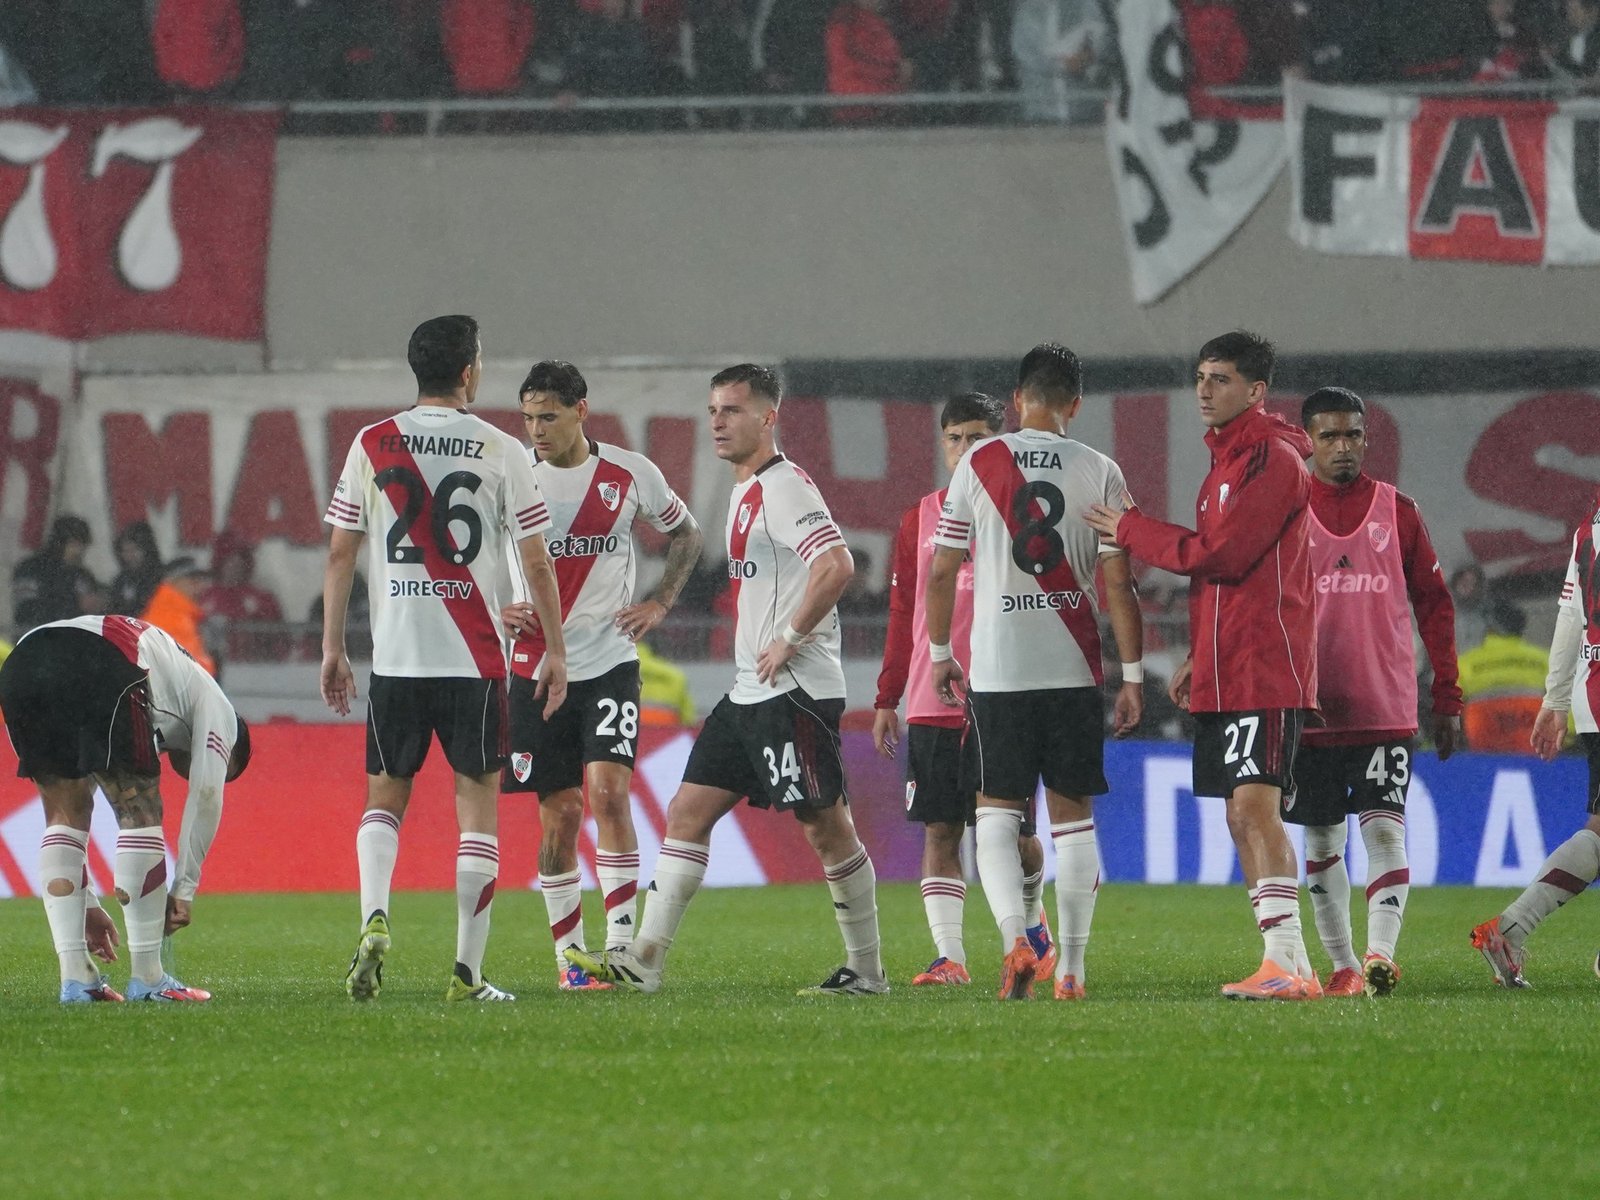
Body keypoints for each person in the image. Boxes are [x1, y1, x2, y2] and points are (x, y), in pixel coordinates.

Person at [568, 363, 887, 996]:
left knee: (826, 828)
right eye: (713, 409)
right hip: (749, 692)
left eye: (733, 410)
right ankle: (645, 961)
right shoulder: (747, 489)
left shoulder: (785, 487)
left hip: (794, 689)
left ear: (768, 417)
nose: (717, 421)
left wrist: (789, 637)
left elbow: (836, 565)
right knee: (687, 811)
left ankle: (868, 971)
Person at [320, 314, 569, 1004]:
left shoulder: (371, 442)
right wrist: (555, 649)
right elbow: (536, 562)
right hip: (475, 661)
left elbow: (340, 552)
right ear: (467, 372)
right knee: (477, 805)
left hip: (397, 659)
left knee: (384, 799)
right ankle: (467, 973)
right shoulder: (502, 448)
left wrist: (334, 647)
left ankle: (375, 916)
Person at [1086, 330, 1321, 1001]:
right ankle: (1289, 963)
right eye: (1200, 377)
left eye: (1220, 379)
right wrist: (1201, 655)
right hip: (1231, 663)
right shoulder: (1227, 462)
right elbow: (1228, 582)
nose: (1204, 390)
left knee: (1255, 807)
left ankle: (1286, 964)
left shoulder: (1273, 459)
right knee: (1239, 815)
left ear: (1256, 390)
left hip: (1266, 664)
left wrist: (1130, 528)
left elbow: (1223, 555)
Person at [927, 348, 1143, 1000]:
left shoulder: (977, 464)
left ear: (1017, 399)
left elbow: (942, 570)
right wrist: (1133, 676)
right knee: (1073, 820)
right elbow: (1120, 582)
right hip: (1072, 668)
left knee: (995, 814)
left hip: (999, 669)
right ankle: (1072, 970)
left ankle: (1014, 940)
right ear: (1075, 403)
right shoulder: (1100, 470)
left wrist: (939, 653)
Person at [499, 361, 703, 991]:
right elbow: (462, 552)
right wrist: (495, 605)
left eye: (548, 416)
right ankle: (570, 961)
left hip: (610, 663)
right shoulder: (510, 476)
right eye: (528, 417)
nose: (536, 429)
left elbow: (687, 534)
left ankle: (618, 949)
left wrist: (661, 602)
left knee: (610, 796)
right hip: (535, 668)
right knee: (560, 814)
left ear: (580, 411)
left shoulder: (629, 473)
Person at [872, 391, 1059, 988]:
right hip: (932, 699)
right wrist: (887, 697)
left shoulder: (1028, 516)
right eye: (954, 438)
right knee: (940, 828)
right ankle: (949, 957)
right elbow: (903, 612)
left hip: (1005, 695)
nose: (964, 448)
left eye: (977, 437)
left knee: (1016, 836)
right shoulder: (919, 519)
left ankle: (1033, 919)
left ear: (1001, 442)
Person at [1288, 387, 1462, 998]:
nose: (1344, 446)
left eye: (1354, 434)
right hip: (1309, 711)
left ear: (1366, 438)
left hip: (1384, 708)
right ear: (1307, 441)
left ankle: (1380, 956)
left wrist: (1448, 697)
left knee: (1385, 831)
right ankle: (1342, 967)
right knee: (1321, 839)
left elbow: (1435, 607)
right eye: (1330, 436)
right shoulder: (1286, 510)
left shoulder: (1399, 511)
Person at [0, 613, 252, 1002]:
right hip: (103, 657)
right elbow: (206, 794)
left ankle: (77, 980)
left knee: (64, 815)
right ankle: (149, 979)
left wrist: (84, 904)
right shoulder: (219, 708)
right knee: (139, 811)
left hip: (24, 663)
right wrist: (184, 889)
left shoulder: (173, 686)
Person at [1472, 490, 1600, 987]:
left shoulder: (1590, 525)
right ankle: (1510, 928)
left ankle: (1509, 929)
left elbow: (1570, 614)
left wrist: (1558, 698)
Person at [1458, 599, 1549, 752]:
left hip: (1483, 748)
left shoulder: (1466, 663)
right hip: (1533, 747)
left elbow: (1446, 709)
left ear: (1490, 627)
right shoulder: (1543, 659)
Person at [200, 530, 287, 661]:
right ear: (220, 562)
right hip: (212, 666)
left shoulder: (263, 599)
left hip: (255, 667)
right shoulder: (203, 598)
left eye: (240, 560)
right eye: (229, 560)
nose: (235, 566)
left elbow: (280, 641)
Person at [12, 514, 102, 633]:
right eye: (74, 544)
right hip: (36, 638)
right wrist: (75, 605)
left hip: (73, 640)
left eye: (82, 546)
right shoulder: (31, 569)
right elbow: (27, 610)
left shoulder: (81, 575)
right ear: (59, 543)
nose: (79, 551)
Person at [141, 557, 217, 677]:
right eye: (192, 580)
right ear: (173, 582)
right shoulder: (170, 617)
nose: (199, 586)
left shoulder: (182, 613)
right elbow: (188, 673)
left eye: (200, 580)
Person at [108, 521, 165, 618]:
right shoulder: (121, 581)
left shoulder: (160, 577)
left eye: (134, 550)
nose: (130, 556)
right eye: (125, 551)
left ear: (145, 550)